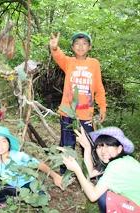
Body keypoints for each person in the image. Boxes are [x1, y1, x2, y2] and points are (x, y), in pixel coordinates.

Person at [49, 32, 107, 174]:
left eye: (84, 44)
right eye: (77, 44)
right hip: (67, 111)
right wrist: (54, 47)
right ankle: (64, 172)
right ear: (72, 47)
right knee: (67, 143)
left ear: (90, 47)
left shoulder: (94, 64)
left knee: (88, 143)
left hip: (86, 113)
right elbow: (58, 56)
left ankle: (92, 171)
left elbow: (99, 87)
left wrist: (103, 107)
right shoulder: (69, 62)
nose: (81, 47)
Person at [0, 126, 63, 209]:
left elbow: (38, 164)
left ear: (9, 144)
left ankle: (30, 198)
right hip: (8, 185)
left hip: (26, 184)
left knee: (41, 200)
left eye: (4, 141)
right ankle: (2, 203)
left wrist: (55, 176)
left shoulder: (19, 156)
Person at [62, 127, 140, 213]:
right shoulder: (125, 160)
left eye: (109, 145)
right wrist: (87, 148)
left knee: (104, 197)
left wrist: (77, 170)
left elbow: (93, 196)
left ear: (119, 149)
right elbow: (90, 174)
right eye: (100, 146)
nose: (103, 151)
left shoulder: (116, 166)